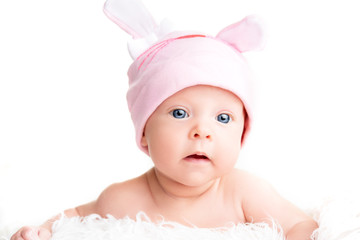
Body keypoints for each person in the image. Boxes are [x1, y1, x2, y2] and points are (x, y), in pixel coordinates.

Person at [11, 0, 318, 239]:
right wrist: (41, 231)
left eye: (223, 118)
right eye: (180, 113)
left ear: (242, 134)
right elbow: (73, 217)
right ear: (144, 131)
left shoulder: (245, 193)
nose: (202, 131)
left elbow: (301, 226)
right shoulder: (122, 198)